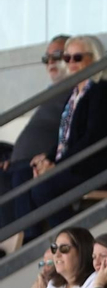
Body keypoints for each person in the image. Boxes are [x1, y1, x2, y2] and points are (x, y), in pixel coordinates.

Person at [23, 36, 107, 232]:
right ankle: (30, 240)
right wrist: (47, 159)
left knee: (43, 188)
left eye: (78, 57)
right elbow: (65, 138)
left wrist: (56, 165)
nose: (71, 63)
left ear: (95, 59)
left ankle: (75, 238)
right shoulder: (74, 95)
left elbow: (91, 140)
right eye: (67, 58)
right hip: (75, 164)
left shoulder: (102, 91)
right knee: (22, 175)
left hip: (99, 167)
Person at [2, 36, 70, 230]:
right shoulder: (52, 92)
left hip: (39, 164)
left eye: (57, 55)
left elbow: (70, 135)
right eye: (46, 58)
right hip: (19, 162)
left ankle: (23, 243)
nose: (50, 62)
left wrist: (46, 158)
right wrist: (12, 157)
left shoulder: (77, 93)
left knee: (21, 179)